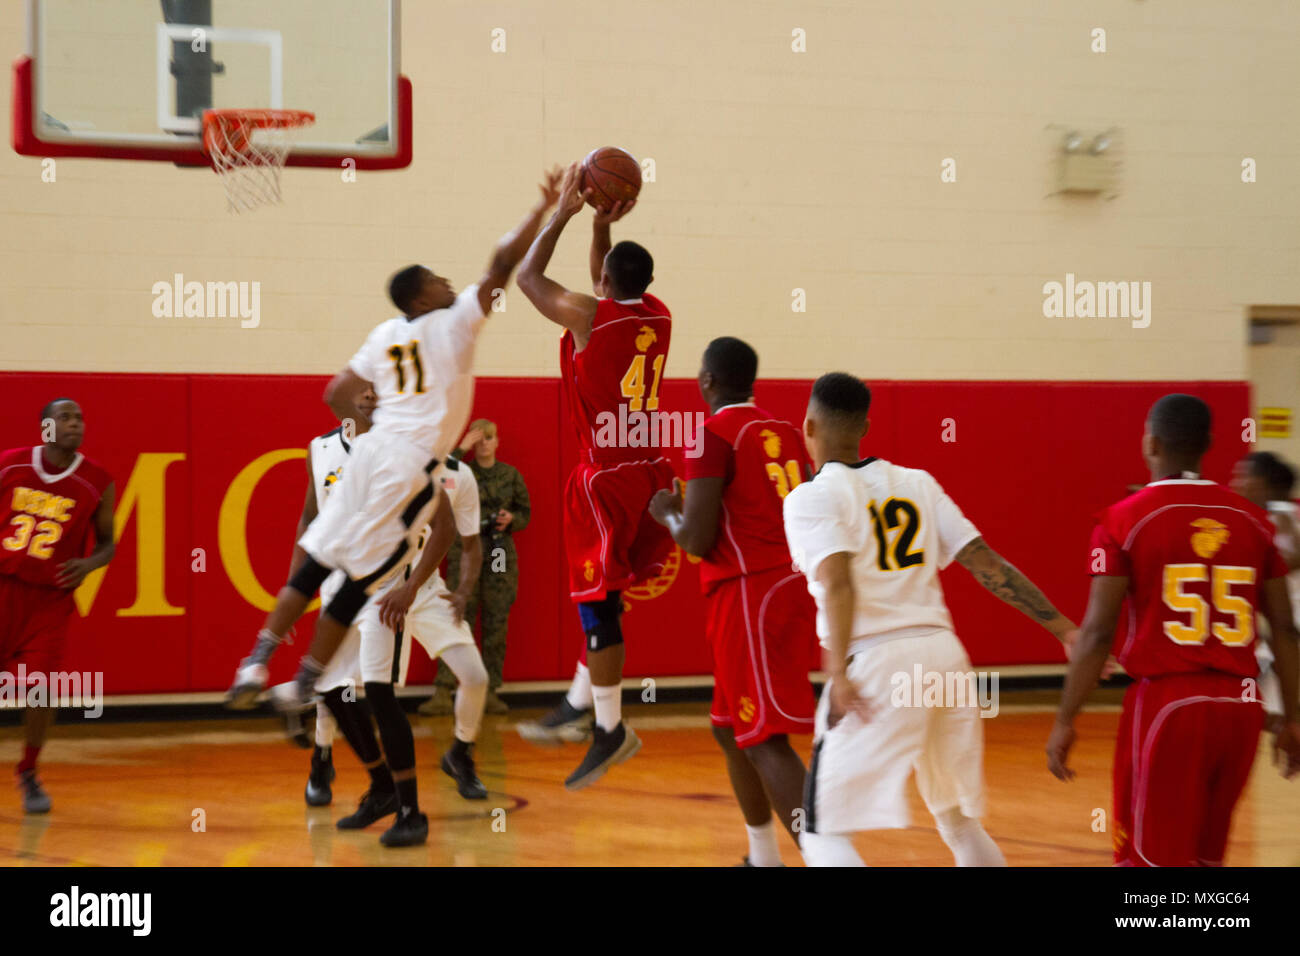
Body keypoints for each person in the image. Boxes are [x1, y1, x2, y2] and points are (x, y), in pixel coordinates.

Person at [224, 168, 563, 846]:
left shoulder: (384, 336)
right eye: (438, 278)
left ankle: (260, 659)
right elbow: (501, 265)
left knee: (317, 563)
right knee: (356, 584)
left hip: (369, 455)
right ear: (424, 296)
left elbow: (335, 390)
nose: (448, 282)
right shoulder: (451, 324)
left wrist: (366, 408)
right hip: (405, 469)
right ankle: (306, 681)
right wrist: (546, 206)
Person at [783, 373, 1079, 867]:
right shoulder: (918, 482)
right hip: (945, 659)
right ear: (866, 426)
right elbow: (988, 564)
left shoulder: (809, 498)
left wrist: (835, 674)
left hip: (877, 663)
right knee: (958, 820)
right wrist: (1066, 629)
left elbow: (838, 583)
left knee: (821, 831)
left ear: (807, 426)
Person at [1049, 395, 1300, 866]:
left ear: (1151, 443)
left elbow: (1098, 633)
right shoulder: (1255, 522)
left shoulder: (1124, 518)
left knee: (1151, 862)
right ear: (1207, 445)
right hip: (1242, 705)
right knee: (1206, 859)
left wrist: (1066, 720)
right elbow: (1286, 629)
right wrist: (1293, 718)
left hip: (1170, 705)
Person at [515, 163, 675, 790]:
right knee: (606, 597)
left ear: (605, 282)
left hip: (604, 478)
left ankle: (609, 728)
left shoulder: (588, 318)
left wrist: (565, 214)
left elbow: (528, 278)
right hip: (650, 469)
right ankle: (584, 701)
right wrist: (604, 231)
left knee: (596, 604)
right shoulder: (658, 316)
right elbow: (607, 288)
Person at [648, 337, 816, 867]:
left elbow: (696, 540)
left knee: (764, 737)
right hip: (789, 583)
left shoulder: (712, 435)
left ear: (707, 382)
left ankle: (827, 856)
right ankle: (762, 856)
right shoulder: (787, 431)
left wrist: (668, 513)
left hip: (749, 591)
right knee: (729, 726)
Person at [1, 399, 115, 813]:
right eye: (65, 417)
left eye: (80, 418)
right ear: (45, 427)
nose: (75, 424)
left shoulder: (97, 481)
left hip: (48, 601)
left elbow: (108, 543)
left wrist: (88, 564)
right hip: (3, 586)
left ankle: (28, 771)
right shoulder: (10, 465)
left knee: (39, 688)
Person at [420, 419, 529, 716]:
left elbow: (525, 513)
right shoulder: (460, 471)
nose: (484, 444)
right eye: (479, 438)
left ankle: (490, 691)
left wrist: (512, 520)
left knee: (496, 620)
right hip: (464, 551)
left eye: (489, 438)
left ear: (497, 442)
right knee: (454, 616)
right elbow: (439, 472)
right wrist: (462, 446)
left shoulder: (510, 475)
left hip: (497, 552)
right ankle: (444, 689)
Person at [1232, 451, 1300, 732]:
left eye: (1243, 476)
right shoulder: (1262, 519)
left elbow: (1292, 555)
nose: (1236, 483)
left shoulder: (1281, 516)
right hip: (1280, 639)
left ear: (1263, 484)